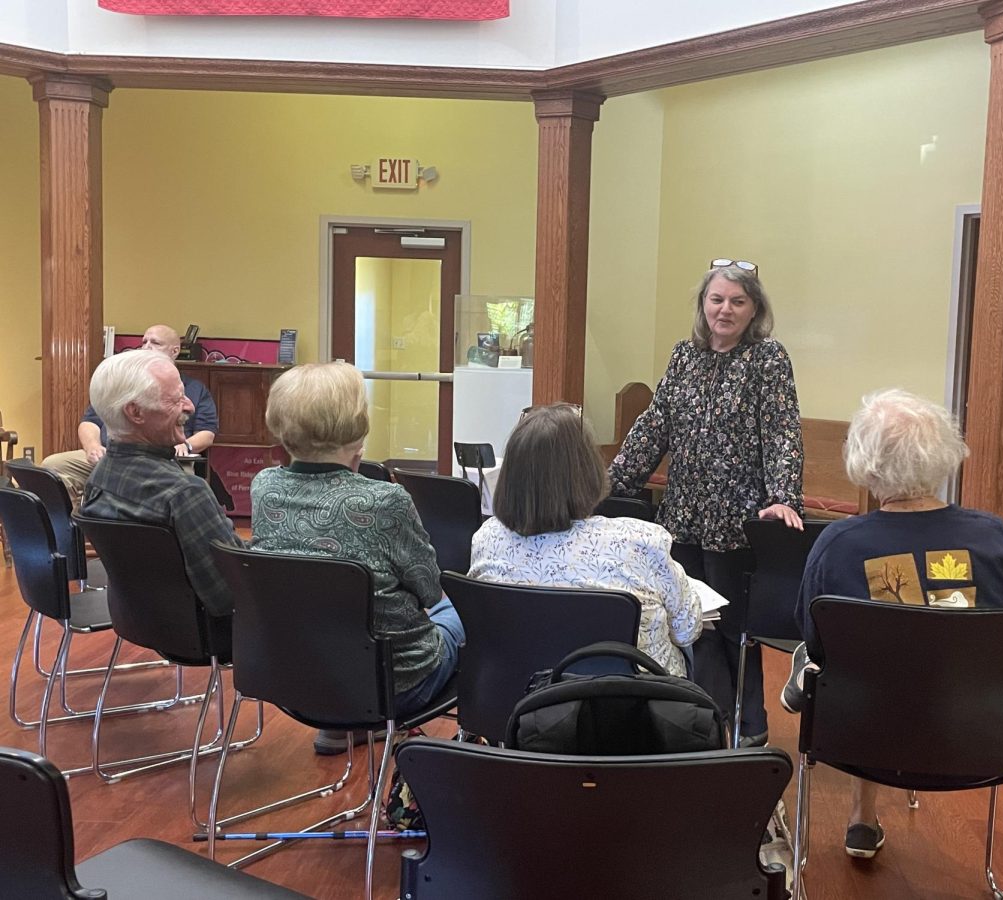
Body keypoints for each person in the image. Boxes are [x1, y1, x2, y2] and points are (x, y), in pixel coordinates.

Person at [781, 388, 1003, 860]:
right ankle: (863, 815)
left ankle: (860, 812)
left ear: (866, 462)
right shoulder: (997, 538)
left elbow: (817, 639)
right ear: (946, 453)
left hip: (865, 734)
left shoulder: (839, 543)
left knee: (851, 667)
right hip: (983, 735)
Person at [608, 260, 804, 744]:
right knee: (691, 626)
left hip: (738, 524)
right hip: (685, 519)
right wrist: (612, 482)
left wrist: (783, 497)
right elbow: (655, 425)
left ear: (754, 308)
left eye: (738, 301)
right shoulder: (684, 357)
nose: (725, 309)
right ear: (703, 304)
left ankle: (750, 730)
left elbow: (782, 432)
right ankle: (701, 725)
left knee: (738, 630)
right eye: (717, 299)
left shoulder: (768, 360)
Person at [249, 362, 462, 755]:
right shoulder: (384, 501)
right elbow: (430, 589)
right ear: (357, 427)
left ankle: (344, 725)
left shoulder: (264, 487)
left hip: (295, 678)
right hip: (394, 686)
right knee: (460, 611)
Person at [468, 403, 703, 677]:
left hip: (519, 703)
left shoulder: (487, 540)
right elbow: (688, 628)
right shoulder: (641, 541)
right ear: (588, 471)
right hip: (632, 708)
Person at [80, 348, 243, 623]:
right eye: (176, 398)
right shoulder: (185, 493)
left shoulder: (98, 479)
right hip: (207, 633)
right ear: (135, 412)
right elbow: (230, 596)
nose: (189, 406)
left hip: (138, 620)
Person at [44, 325, 218, 506]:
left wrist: (186, 445)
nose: (147, 346)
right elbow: (89, 421)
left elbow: (208, 433)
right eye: (144, 342)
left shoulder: (196, 389)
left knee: (189, 490)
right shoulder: (121, 383)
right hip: (110, 456)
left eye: (155, 343)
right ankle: (78, 529)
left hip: (168, 459)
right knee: (53, 465)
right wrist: (92, 446)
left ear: (175, 351)